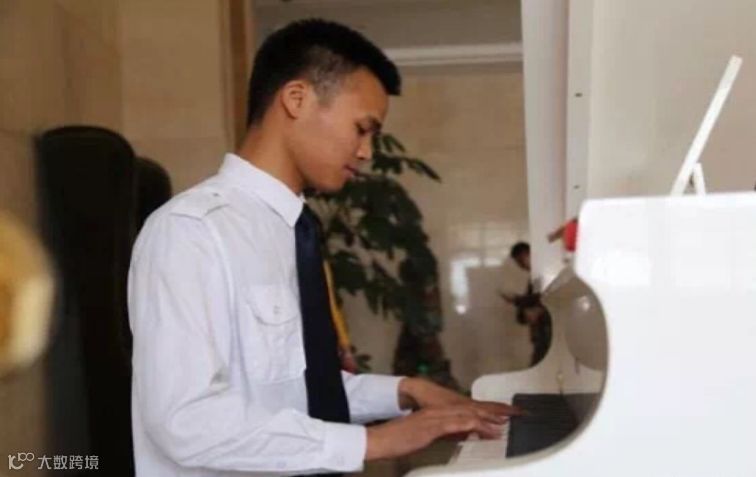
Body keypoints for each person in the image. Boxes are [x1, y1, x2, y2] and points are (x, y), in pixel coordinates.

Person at [128, 19, 518, 476]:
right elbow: (185, 420)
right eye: (362, 128)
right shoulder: (192, 232)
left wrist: (406, 391)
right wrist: (375, 441)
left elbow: (301, 392)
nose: (367, 152)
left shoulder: (295, 229)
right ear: (297, 99)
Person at [500, 242, 552, 366]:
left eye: (520, 261)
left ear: (527, 255)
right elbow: (530, 305)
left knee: (540, 367)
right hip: (541, 334)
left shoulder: (544, 275)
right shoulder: (535, 278)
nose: (521, 266)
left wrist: (517, 300)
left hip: (548, 333)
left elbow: (546, 300)